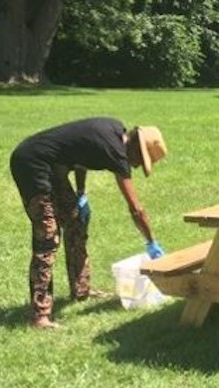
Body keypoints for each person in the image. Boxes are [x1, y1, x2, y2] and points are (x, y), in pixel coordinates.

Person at [10, 117, 168, 329]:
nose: (137, 166)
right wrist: (151, 241)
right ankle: (39, 314)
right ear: (136, 148)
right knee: (47, 236)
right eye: (141, 160)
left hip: (54, 164)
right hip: (31, 163)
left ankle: (81, 290)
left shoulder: (113, 130)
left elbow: (81, 157)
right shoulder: (117, 153)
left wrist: (80, 193)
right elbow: (136, 209)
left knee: (76, 222)